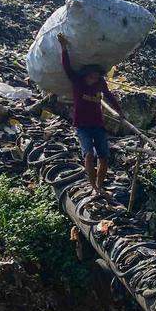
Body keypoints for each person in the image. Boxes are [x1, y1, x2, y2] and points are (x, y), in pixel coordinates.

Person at [57, 32, 124, 192]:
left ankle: (100, 186)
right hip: (82, 125)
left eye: (96, 76)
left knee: (104, 156)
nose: (94, 79)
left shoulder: (100, 82)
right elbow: (67, 67)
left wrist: (119, 111)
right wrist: (64, 47)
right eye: (92, 76)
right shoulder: (77, 81)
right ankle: (93, 185)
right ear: (86, 74)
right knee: (88, 154)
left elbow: (109, 96)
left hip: (98, 124)